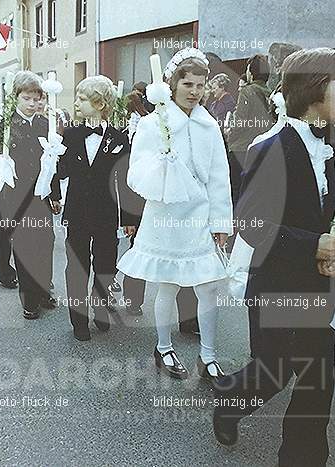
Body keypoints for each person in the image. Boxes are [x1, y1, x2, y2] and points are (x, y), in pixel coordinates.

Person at [212, 48, 335, 467]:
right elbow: (254, 224)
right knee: (273, 372)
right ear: (315, 91)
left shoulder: (333, 145)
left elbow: (331, 212)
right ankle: (232, 402)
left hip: (319, 287)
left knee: (317, 382)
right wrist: (312, 244)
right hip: (276, 285)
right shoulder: (271, 147)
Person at [117, 48, 233, 380]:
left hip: (200, 216)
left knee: (207, 287)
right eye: (188, 84)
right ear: (172, 84)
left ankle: (208, 357)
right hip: (167, 215)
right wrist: (162, 166)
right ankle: (164, 346)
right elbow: (135, 173)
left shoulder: (208, 124)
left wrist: (221, 221)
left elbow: (218, 175)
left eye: (200, 85)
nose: (195, 91)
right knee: (167, 285)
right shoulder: (154, 124)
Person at [50, 75, 134, 341]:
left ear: (99, 103)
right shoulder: (71, 135)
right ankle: (79, 319)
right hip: (76, 213)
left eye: (82, 99)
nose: (77, 103)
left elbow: (126, 179)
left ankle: (100, 307)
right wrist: (52, 189)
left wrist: (130, 217)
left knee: (106, 264)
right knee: (76, 265)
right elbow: (58, 170)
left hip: (107, 214)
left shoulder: (120, 139)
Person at [0, 71, 57, 317]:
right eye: (26, 98)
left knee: (45, 242)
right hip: (15, 195)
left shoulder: (43, 125)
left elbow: (52, 164)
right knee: (25, 246)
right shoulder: (5, 126)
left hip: (40, 194)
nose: (31, 104)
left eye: (35, 99)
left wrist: (55, 193)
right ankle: (29, 298)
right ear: (15, 98)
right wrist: (2, 163)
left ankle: (42, 288)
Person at [227, 54, 275, 204]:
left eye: (248, 69)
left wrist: (230, 135)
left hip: (242, 147)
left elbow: (240, 121)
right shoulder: (271, 93)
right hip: (262, 147)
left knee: (237, 190)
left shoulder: (247, 91)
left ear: (252, 72)